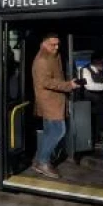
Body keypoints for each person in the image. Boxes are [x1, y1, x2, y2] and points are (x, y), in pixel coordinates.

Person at [32, 33, 80, 179]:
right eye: (53, 44)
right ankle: (43, 162)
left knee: (49, 133)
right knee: (59, 131)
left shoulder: (53, 56)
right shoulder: (42, 60)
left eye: (58, 44)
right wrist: (68, 85)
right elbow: (46, 82)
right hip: (49, 103)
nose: (57, 47)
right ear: (44, 44)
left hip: (54, 101)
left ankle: (38, 161)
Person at [80, 51, 103, 143]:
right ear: (96, 61)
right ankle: (97, 137)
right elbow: (90, 86)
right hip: (91, 102)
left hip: (100, 101)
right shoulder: (85, 70)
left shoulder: (101, 71)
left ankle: (102, 135)